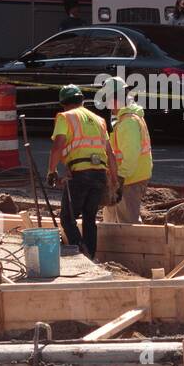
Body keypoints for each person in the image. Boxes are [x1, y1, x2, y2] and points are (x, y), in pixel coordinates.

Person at [47, 84, 115, 258]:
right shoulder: (99, 120)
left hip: (81, 174)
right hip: (99, 173)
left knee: (68, 218)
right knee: (89, 218)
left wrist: (51, 171)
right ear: (82, 100)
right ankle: (90, 256)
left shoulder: (65, 117)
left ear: (63, 103)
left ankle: (80, 252)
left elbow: (57, 147)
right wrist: (114, 180)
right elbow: (110, 153)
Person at [100, 76, 153, 224]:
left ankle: (136, 246)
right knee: (112, 213)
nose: (108, 106)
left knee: (127, 221)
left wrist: (121, 178)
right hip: (127, 176)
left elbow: (130, 154)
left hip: (130, 178)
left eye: (108, 100)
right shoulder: (127, 119)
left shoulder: (128, 122)